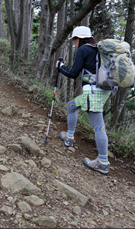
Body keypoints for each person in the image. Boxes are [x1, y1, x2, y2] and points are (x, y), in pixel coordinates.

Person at [55, 26, 112, 174]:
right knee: (71, 106)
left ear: (78, 38)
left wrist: (60, 67)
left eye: (74, 40)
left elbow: (73, 73)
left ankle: (103, 162)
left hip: (93, 92)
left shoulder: (83, 50)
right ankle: (69, 137)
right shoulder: (98, 48)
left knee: (98, 126)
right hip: (103, 90)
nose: (73, 43)